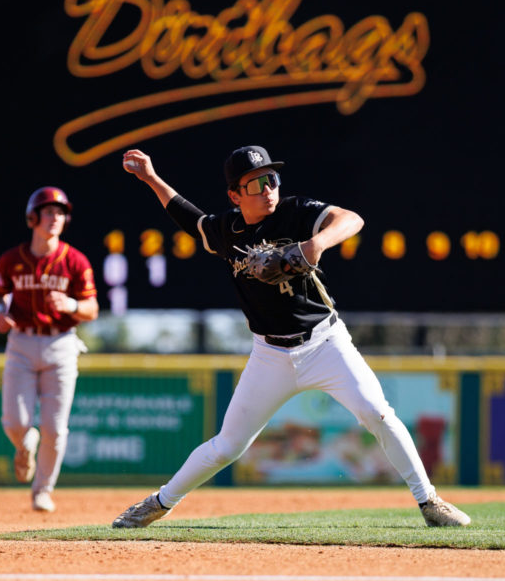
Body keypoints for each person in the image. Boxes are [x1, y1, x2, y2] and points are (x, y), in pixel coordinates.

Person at [112, 145, 471, 528]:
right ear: (235, 195)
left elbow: (352, 219)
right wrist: (151, 178)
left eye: (272, 179)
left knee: (377, 413)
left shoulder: (295, 212)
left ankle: (430, 501)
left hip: (325, 344)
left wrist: (315, 243)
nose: (268, 189)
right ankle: (158, 504)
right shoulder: (225, 231)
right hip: (269, 356)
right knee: (228, 447)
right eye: (256, 183)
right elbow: (189, 218)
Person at [0, 186, 99, 512]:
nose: (55, 218)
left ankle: (43, 490)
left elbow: (92, 309)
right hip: (22, 342)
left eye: (60, 212)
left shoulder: (75, 261)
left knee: (55, 428)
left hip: (61, 343)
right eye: (49, 211)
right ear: (33, 217)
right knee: (13, 421)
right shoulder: (12, 260)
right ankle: (24, 446)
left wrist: (69, 304)